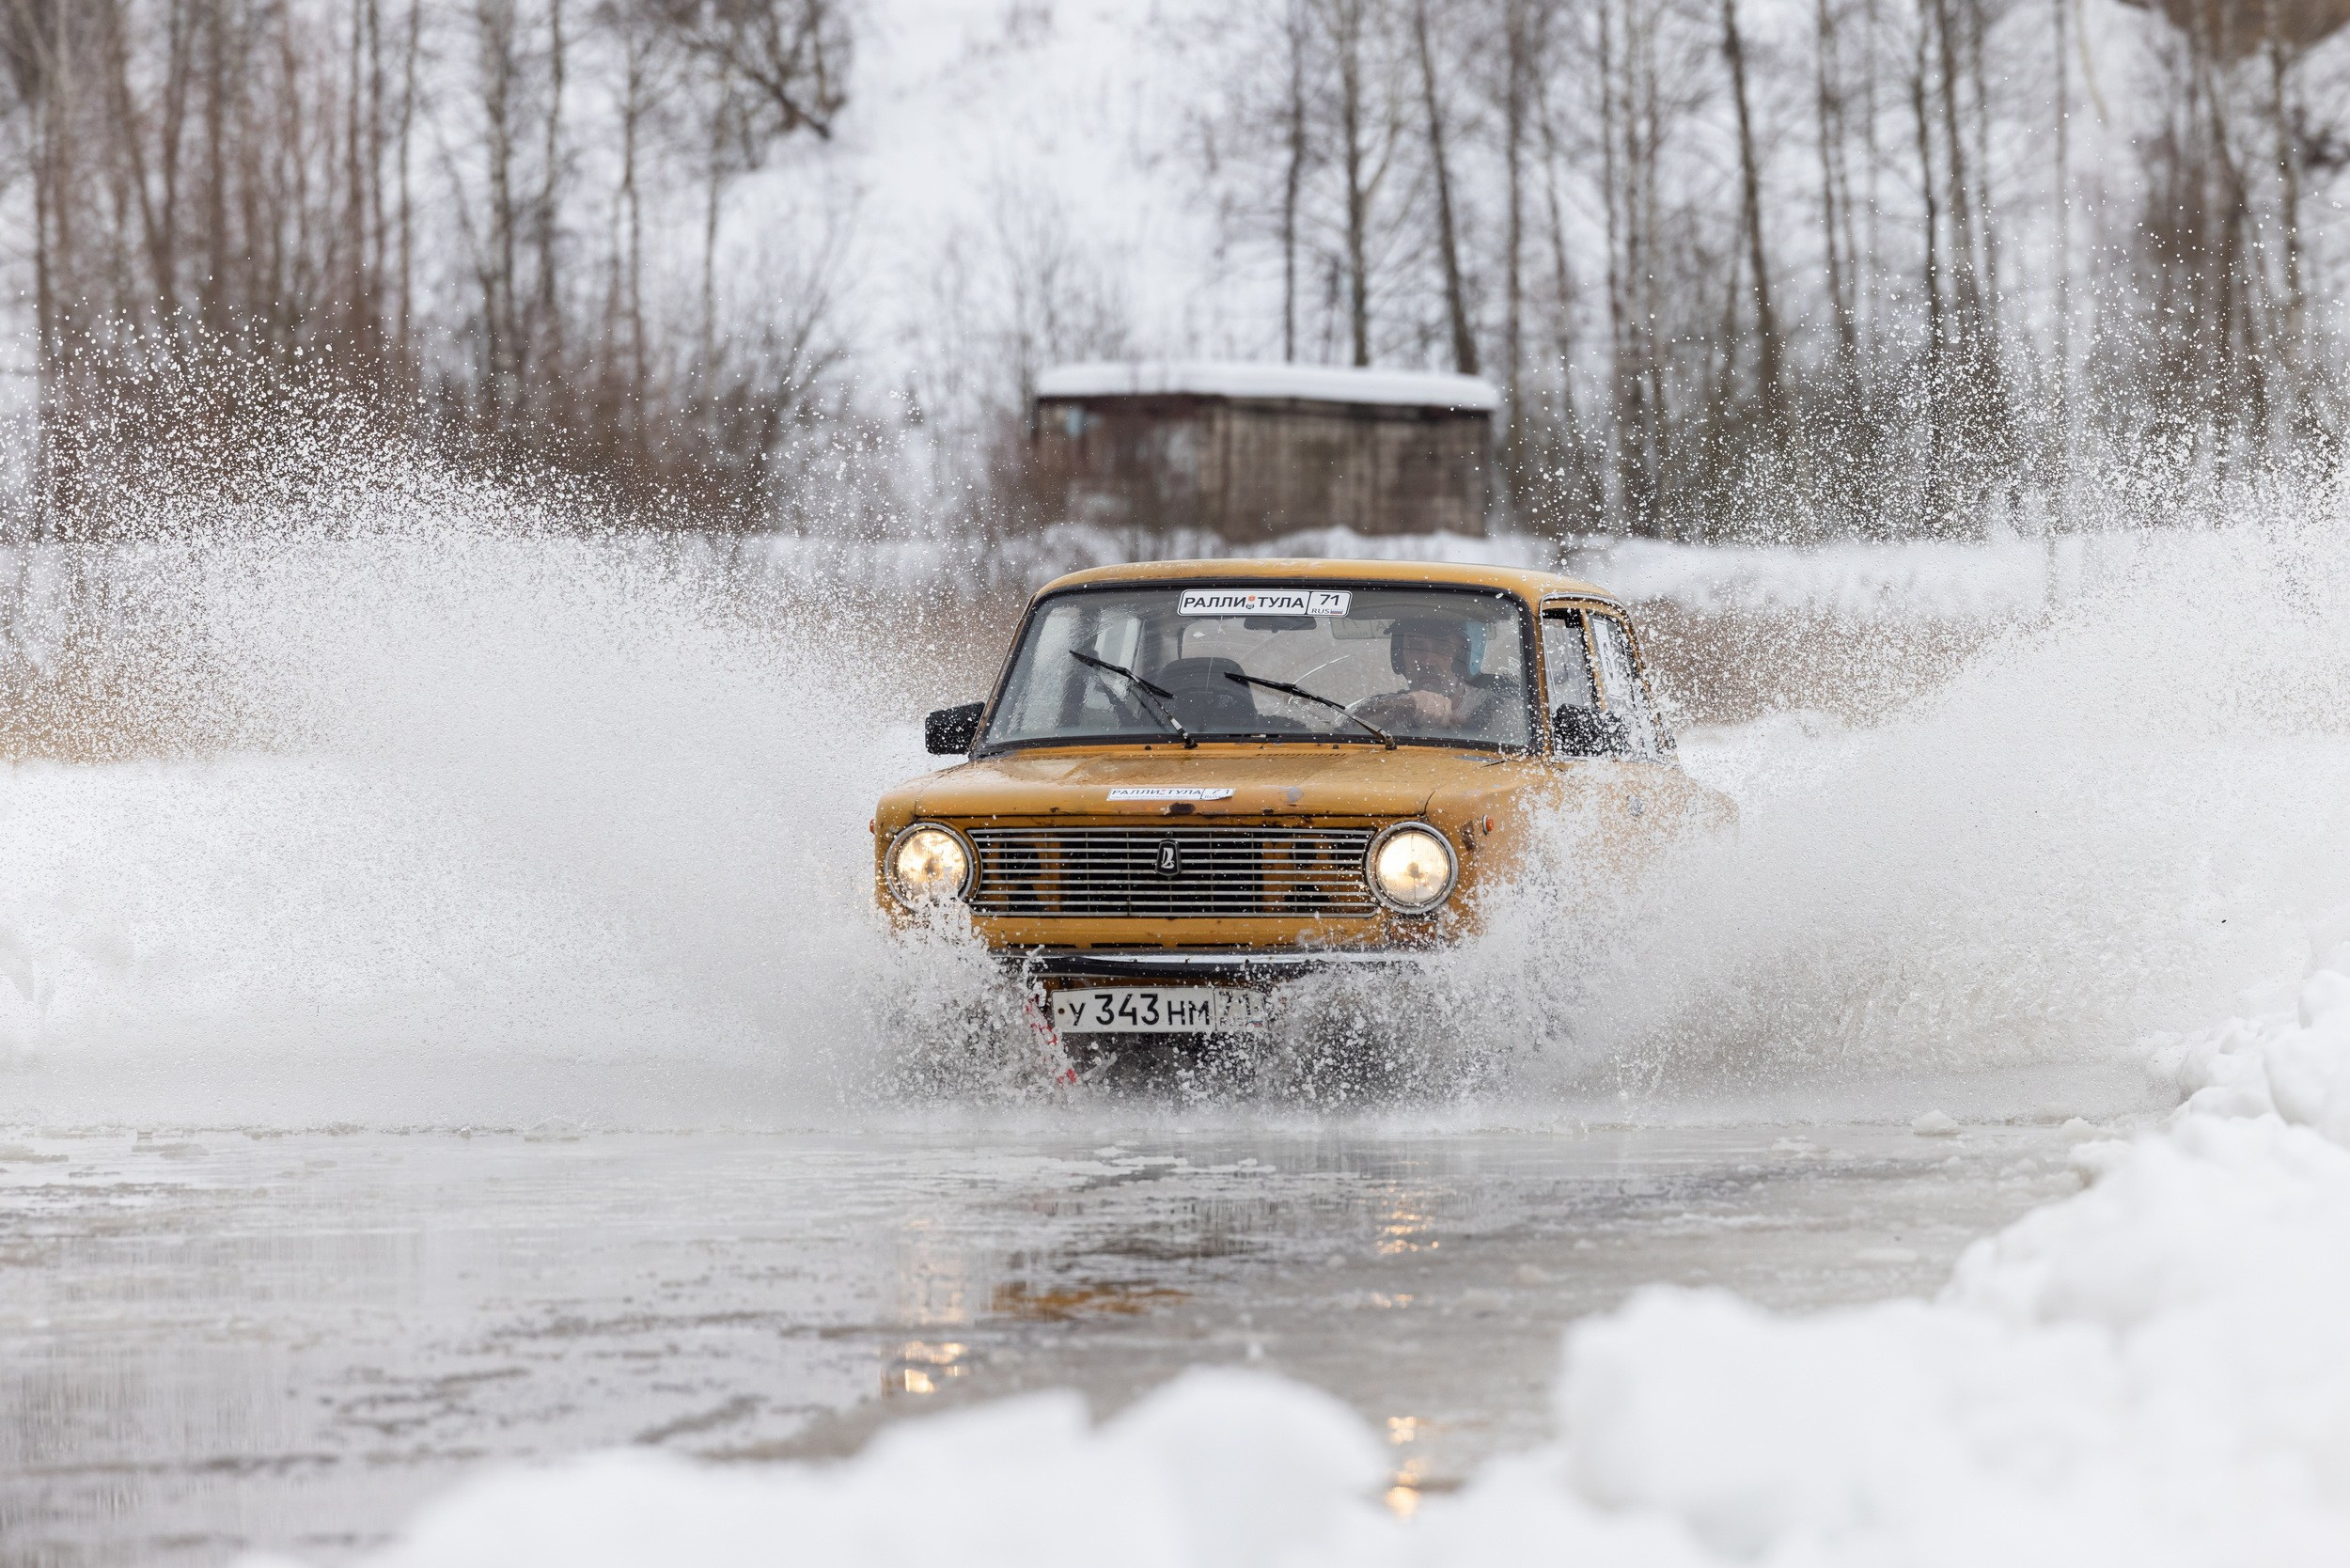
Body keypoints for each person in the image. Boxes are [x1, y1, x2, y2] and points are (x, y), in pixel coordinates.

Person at [1351, 618, 1509, 736]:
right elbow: (1347, 728)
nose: (1427, 661)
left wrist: (1458, 723)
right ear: (1400, 658)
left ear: (1461, 657)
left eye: (1442, 647)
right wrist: (1405, 705)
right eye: (1416, 647)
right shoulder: (1389, 707)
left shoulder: (1499, 706)